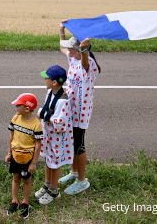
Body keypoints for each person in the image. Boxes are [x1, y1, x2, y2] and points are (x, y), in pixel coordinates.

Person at [57, 23, 101, 195]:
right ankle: (73, 172)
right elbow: (62, 47)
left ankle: (82, 181)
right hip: (71, 109)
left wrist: (84, 50)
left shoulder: (87, 63)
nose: (69, 50)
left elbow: (84, 60)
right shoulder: (73, 58)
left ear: (80, 50)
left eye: (72, 48)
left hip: (81, 113)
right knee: (72, 142)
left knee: (78, 145)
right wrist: (61, 31)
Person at [34, 65, 73, 205]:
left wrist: (43, 115)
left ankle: (54, 191)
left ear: (54, 82)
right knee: (48, 161)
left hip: (57, 138)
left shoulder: (63, 100)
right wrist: (44, 114)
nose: (45, 79)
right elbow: (47, 110)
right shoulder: (50, 92)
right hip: (48, 135)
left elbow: (60, 123)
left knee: (55, 164)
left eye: (47, 78)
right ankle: (47, 184)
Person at [6, 93, 42, 219]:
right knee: (15, 178)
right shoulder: (15, 118)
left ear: (27, 108)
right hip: (15, 156)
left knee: (27, 180)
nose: (16, 107)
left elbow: (38, 144)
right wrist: (9, 153)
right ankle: (14, 201)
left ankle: (25, 202)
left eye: (18, 105)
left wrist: (33, 163)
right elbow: (11, 137)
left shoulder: (36, 124)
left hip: (28, 158)